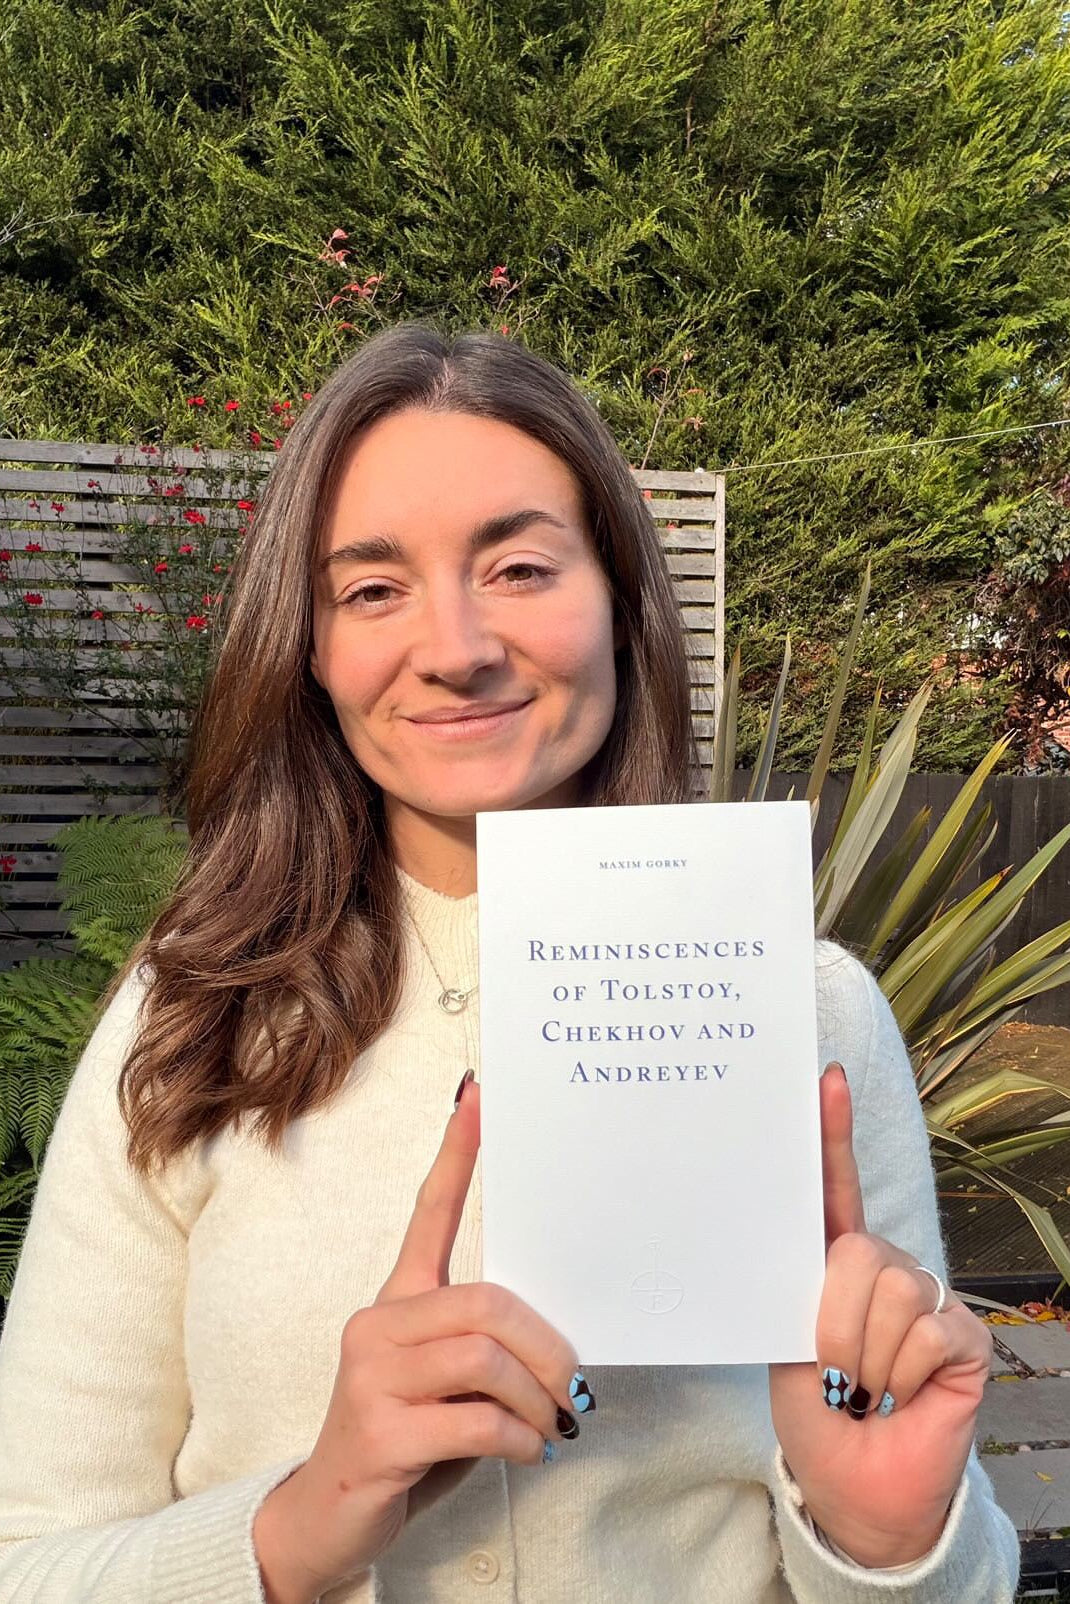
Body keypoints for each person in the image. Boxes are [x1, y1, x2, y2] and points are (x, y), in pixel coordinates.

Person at [0, 324, 1019, 1603]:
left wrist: (886, 1542)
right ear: (308, 649)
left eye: (522, 566)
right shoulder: (193, 1014)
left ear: (620, 600)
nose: (458, 644)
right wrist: (299, 1525)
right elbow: (30, 1560)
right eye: (372, 589)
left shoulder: (806, 1014)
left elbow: (946, 1563)